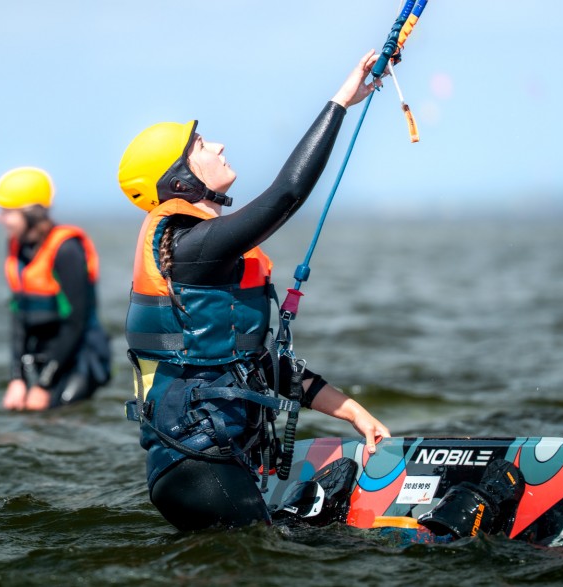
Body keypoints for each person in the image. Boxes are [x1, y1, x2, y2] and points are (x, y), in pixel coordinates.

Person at [117, 50, 392, 531]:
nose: (218, 146)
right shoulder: (191, 247)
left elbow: (262, 368)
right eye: (201, 145)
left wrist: (354, 413)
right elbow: (287, 193)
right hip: (201, 468)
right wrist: (341, 102)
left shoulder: (202, 255)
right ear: (180, 179)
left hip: (205, 465)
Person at [0, 167, 111, 411]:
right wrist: (17, 378)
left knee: (58, 413)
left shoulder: (67, 249)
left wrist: (43, 385)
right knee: (27, 414)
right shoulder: (15, 247)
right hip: (45, 356)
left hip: (80, 357)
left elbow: (75, 322)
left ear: (30, 214)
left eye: (6, 212)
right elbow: (18, 316)